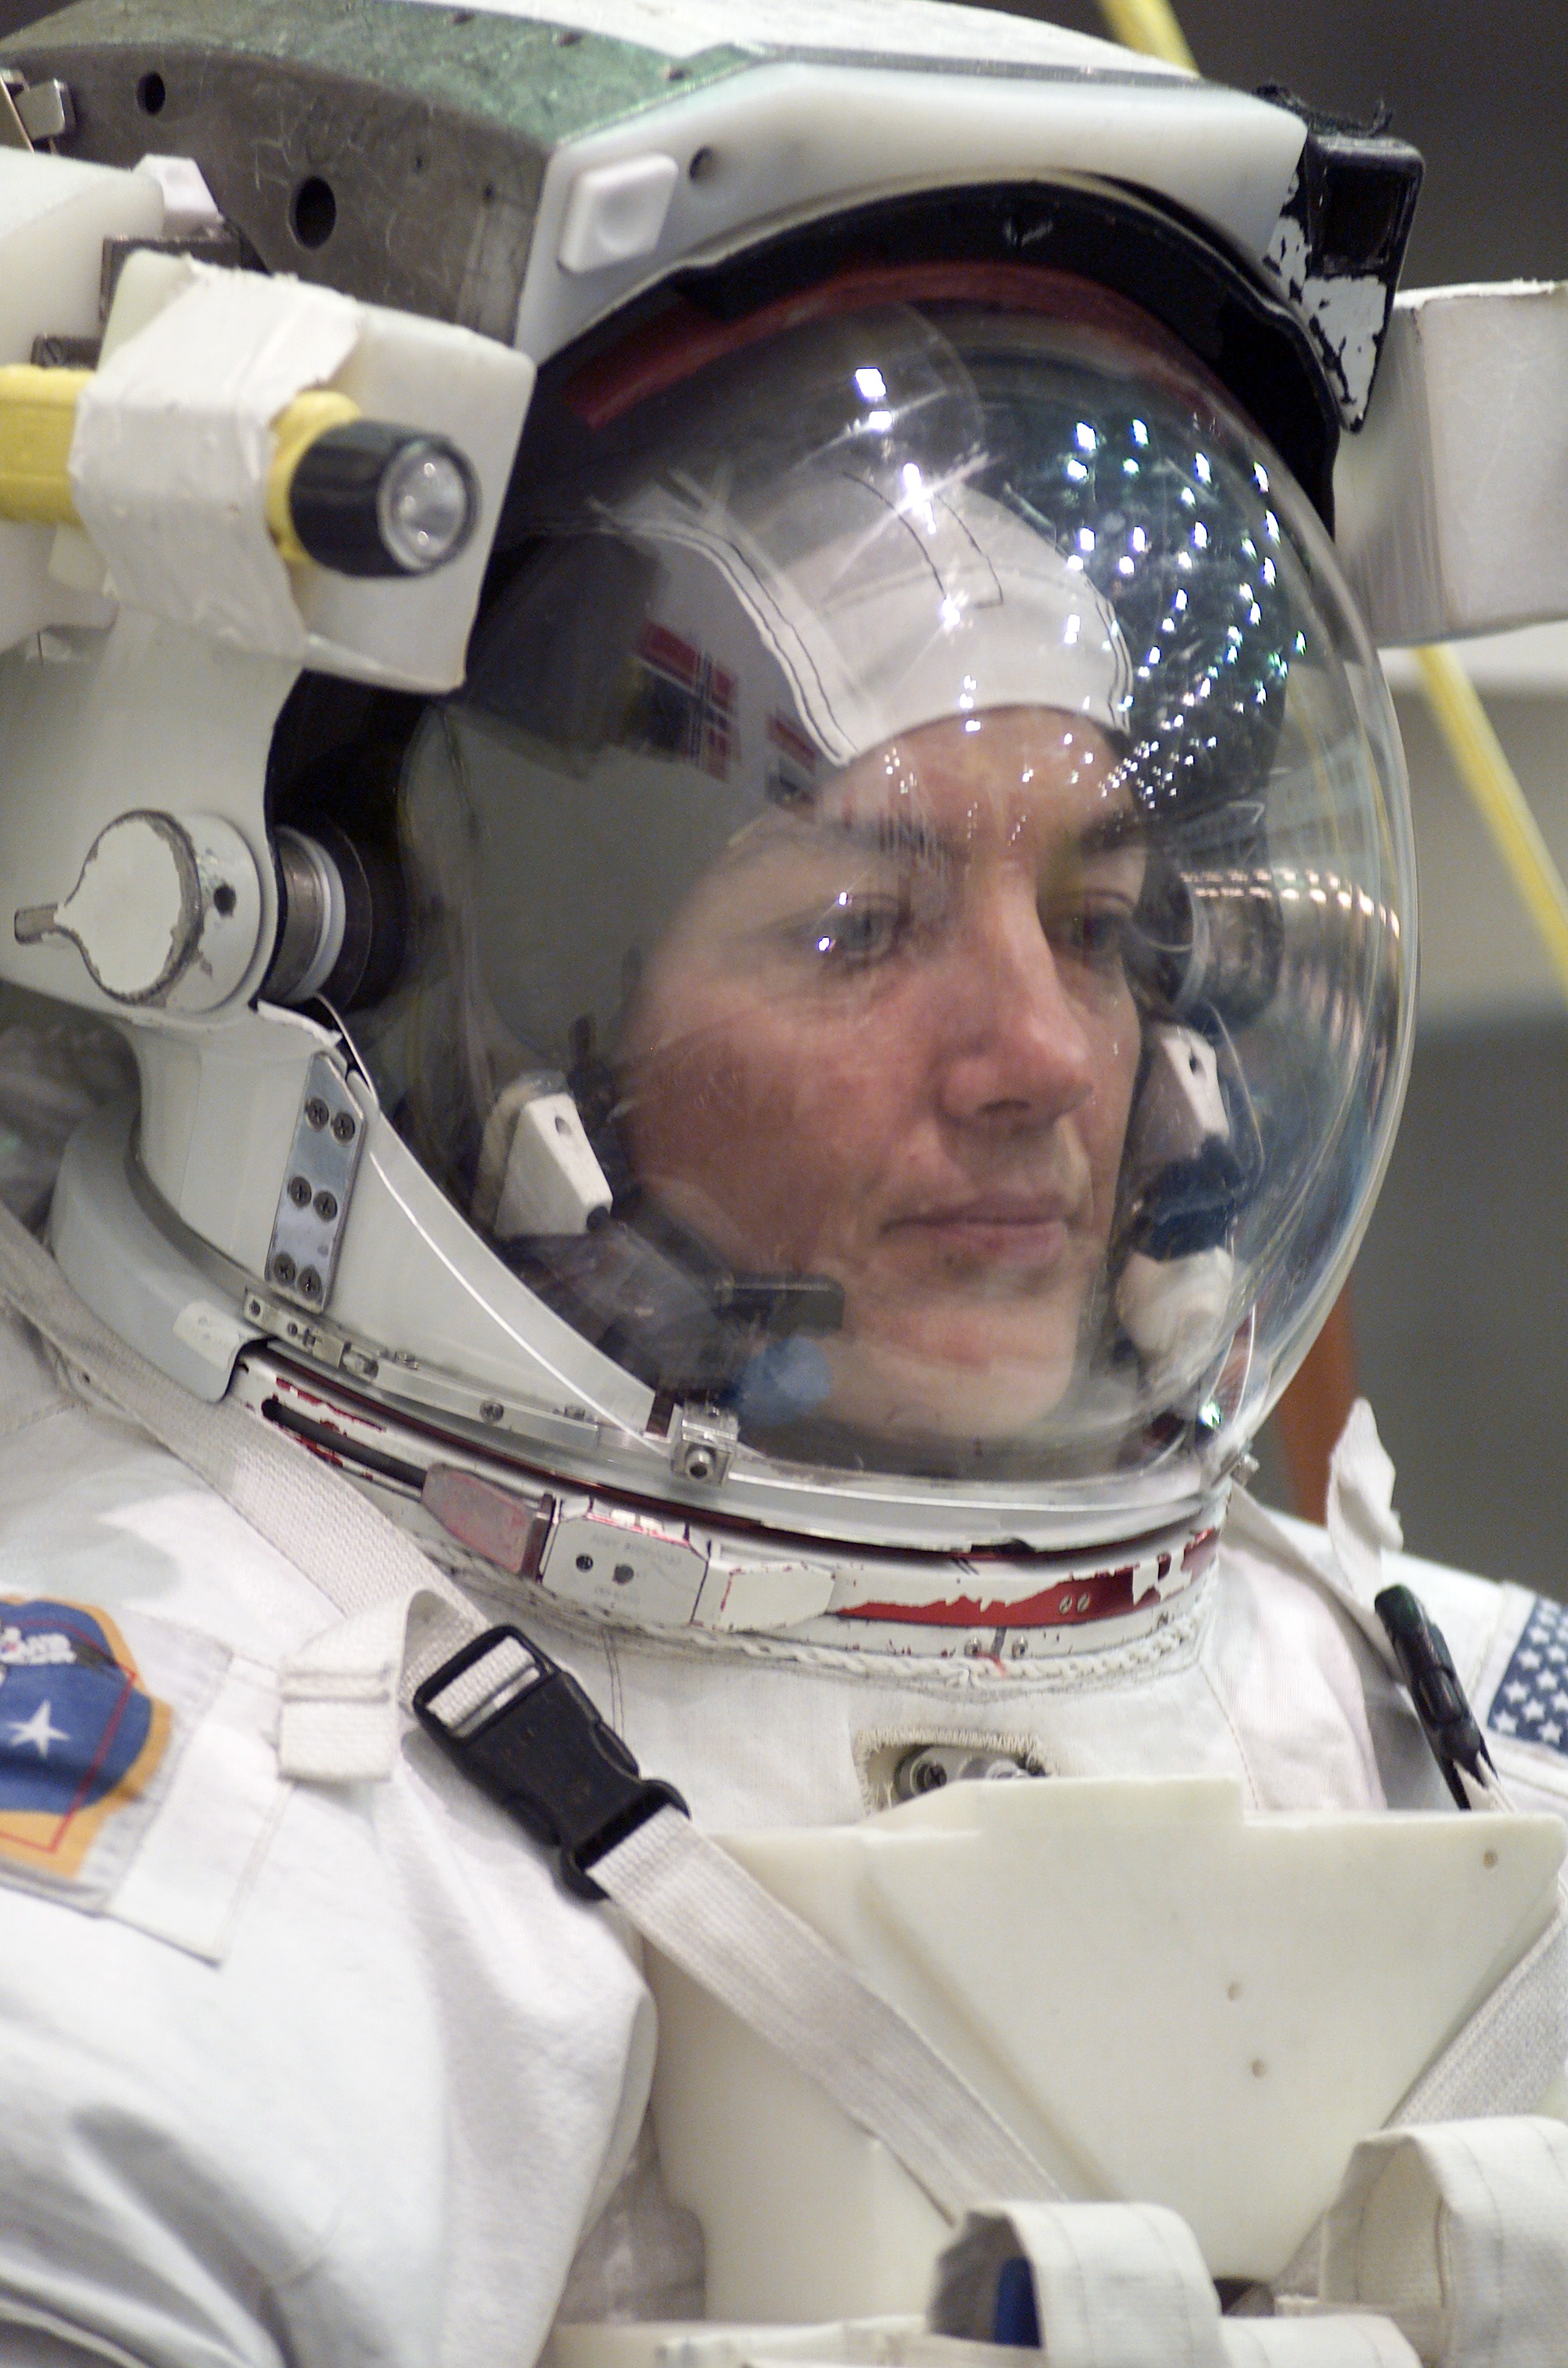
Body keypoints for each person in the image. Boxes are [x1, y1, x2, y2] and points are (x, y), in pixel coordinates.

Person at [0, 2, 1562, 2362]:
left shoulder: (1421, 1728)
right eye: (859, 931)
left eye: (1101, 922)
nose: (1047, 1061)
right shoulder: (188, 1878)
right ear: (483, 1035)